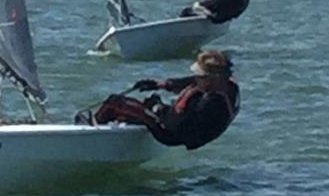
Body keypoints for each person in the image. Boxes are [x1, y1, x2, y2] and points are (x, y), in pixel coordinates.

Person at [90, 49, 240, 150]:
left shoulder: (210, 103)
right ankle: (117, 127)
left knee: (115, 103)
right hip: (178, 125)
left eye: (200, 76)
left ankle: (92, 132)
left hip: (169, 134)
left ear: (213, 78)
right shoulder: (227, 85)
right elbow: (189, 82)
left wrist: (157, 109)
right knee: (146, 103)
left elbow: (175, 126)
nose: (197, 78)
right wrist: (157, 85)